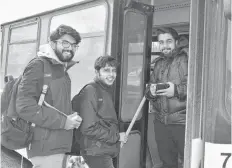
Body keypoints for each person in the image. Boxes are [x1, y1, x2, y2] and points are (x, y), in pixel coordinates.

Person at [15, 24, 82, 168]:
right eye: (65, 42)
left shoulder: (61, 68)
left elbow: (52, 102)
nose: (70, 48)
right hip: (44, 149)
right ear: (52, 43)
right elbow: (25, 107)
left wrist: (71, 116)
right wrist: (64, 122)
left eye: (74, 45)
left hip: (58, 146)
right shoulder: (38, 66)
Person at [72, 56, 127, 168]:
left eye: (114, 71)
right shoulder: (91, 91)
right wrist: (116, 137)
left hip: (101, 149)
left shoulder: (104, 89)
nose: (111, 75)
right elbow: (88, 127)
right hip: (95, 151)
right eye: (106, 70)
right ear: (97, 72)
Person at [145, 27, 188, 168]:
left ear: (176, 42)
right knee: (167, 163)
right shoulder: (158, 64)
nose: (165, 46)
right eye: (161, 42)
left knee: (188, 162)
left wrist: (175, 90)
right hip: (161, 123)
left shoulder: (186, 59)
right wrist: (150, 92)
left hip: (182, 123)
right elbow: (149, 88)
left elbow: (197, 88)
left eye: (168, 41)